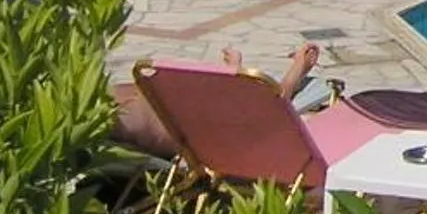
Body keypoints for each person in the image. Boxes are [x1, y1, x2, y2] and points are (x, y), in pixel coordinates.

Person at [112, 41, 323, 160]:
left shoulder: (115, 106)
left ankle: (236, 76)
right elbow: (268, 113)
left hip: (168, 110)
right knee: (258, 109)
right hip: (192, 125)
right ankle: (288, 75)